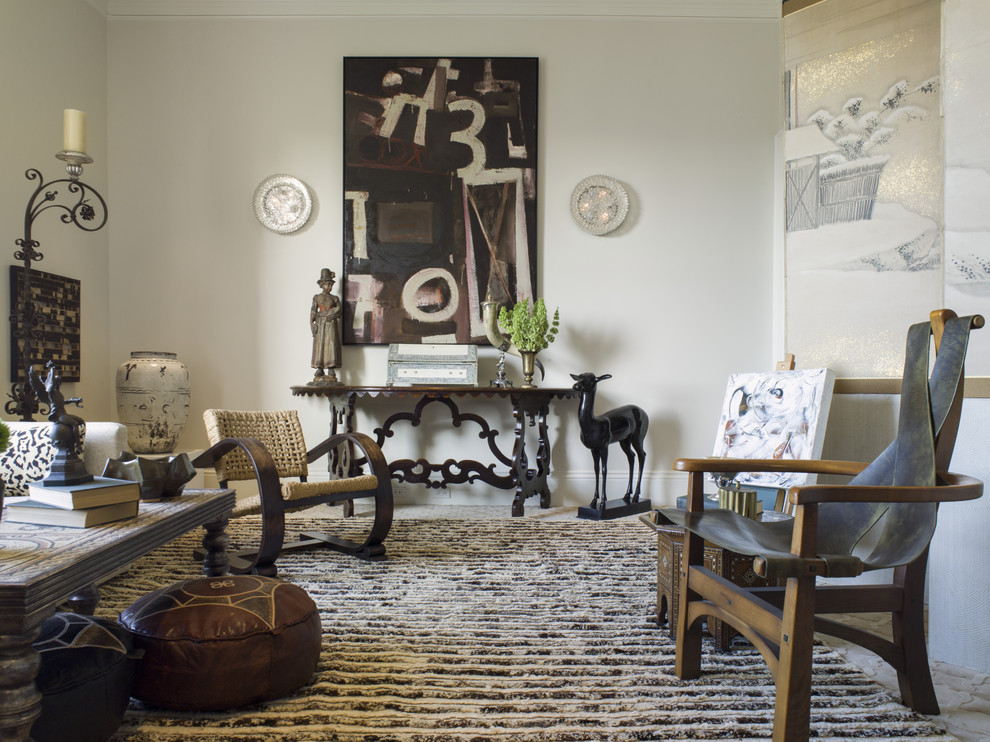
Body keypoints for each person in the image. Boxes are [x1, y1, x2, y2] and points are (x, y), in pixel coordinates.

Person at [310, 268, 342, 384]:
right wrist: (312, 325)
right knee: (320, 345)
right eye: (327, 284)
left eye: (331, 285)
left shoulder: (335, 298)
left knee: (331, 344)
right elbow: (313, 311)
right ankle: (319, 368)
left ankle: (331, 368)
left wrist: (333, 315)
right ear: (322, 285)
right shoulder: (317, 297)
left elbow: (340, 313)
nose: (329, 287)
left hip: (331, 324)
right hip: (320, 323)